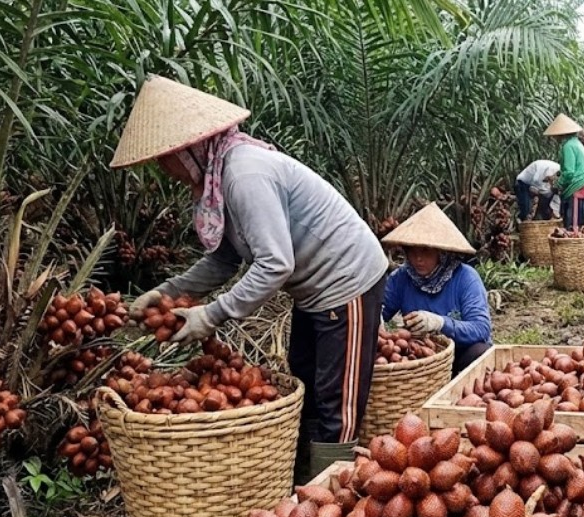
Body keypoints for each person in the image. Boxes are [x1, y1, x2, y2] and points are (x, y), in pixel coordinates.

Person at [110, 76, 388, 480]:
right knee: (305, 376)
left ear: (187, 150)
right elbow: (223, 260)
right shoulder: (216, 180)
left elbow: (276, 264)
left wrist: (214, 314)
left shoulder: (243, 175)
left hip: (347, 280)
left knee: (335, 398)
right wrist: (166, 292)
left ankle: (333, 498)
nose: (162, 168)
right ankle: (303, 483)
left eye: (164, 158)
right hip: (314, 291)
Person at [380, 203, 493, 376]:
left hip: (461, 355)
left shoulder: (466, 278)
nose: (418, 258)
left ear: (442, 252)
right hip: (420, 359)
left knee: (481, 353)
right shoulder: (400, 279)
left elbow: (480, 328)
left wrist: (440, 323)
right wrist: (376, 321)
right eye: (412, 251)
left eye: (426, 251)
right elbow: (381, 310)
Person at [545, 114, 584, 229]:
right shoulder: (576, 143)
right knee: (580, 228)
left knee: (573, 229)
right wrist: (557, 175)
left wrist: (557, 185)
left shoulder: (568, 146)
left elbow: (569, 173)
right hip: (583, 188)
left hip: (577, 190)